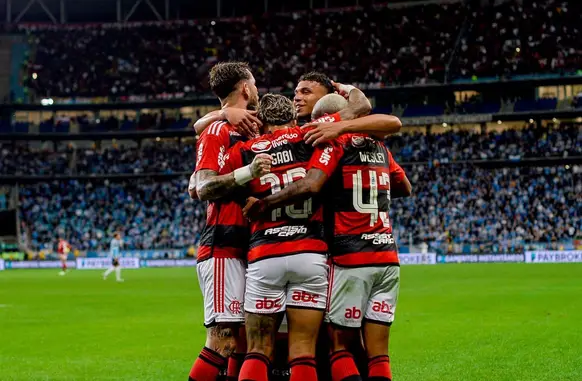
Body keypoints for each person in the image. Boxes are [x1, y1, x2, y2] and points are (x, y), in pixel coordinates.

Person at [243, 103, 411, 381]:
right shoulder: (379, 146)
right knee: (378, 354)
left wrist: (264, 203)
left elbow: (311, 184)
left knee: (338, 349)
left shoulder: (331, 142)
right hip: (386, 255)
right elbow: (405, 187)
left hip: (348, 256)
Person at [189, 61, 271, 381]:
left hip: (250, 247)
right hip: (222, 246)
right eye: (255, 85)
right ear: (246, 89)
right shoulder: (217, 130)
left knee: (244, 340)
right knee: (223, 340)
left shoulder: (251, 128)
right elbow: (205, 186)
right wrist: (248, 173)